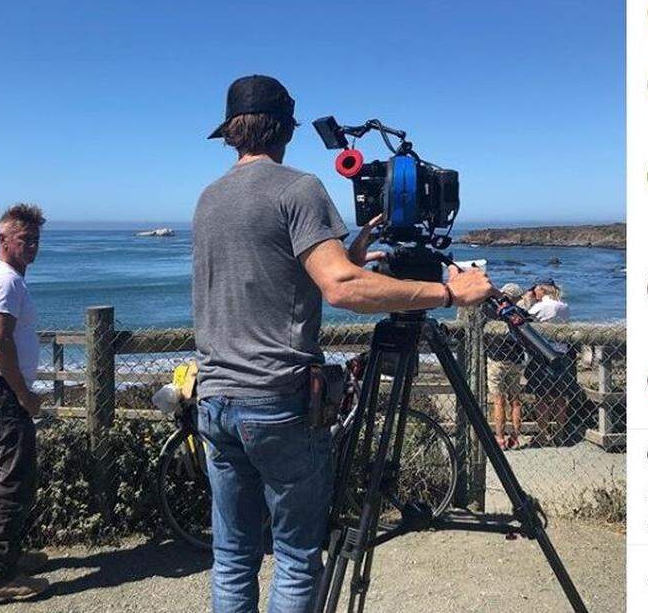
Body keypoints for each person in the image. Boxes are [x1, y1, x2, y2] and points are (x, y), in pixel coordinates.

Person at [193, 74, 494, 613]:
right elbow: (342, 288)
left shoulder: (209, 200)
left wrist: (349, 250)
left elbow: (271, 274)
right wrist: (449, 292)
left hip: (215, 399)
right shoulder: (297, 188)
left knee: (235, 555)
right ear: (284, 130)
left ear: (231, 133)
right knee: (294, 554)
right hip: (278, 400)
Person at [0, 204, 50, 603]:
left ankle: (5, 559)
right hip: (1, 391)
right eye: (24, 239)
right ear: (3, 240)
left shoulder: (8, 280)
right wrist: (25, 396)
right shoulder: (6, 282)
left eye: (36, 239)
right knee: (15, 483)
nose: (32, 246)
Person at [524, 281, 572, 446]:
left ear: (542, 290)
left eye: (535, 289)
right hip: (561, 353)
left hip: (543, 354)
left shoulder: (541, 307)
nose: (534, 292)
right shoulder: (564, 306)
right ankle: (560, 433)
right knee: (559, 396)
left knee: (542, 397)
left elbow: (523, 318)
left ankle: (544, 434)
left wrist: (529, 300)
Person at [487, 283, 528, 449]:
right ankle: (515, 437)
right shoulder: (520, 313)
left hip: (496, 359)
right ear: (517, 298)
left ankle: (500, 437)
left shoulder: (492, 311)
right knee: (515, 400)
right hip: (516, 360)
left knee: (498, 400)